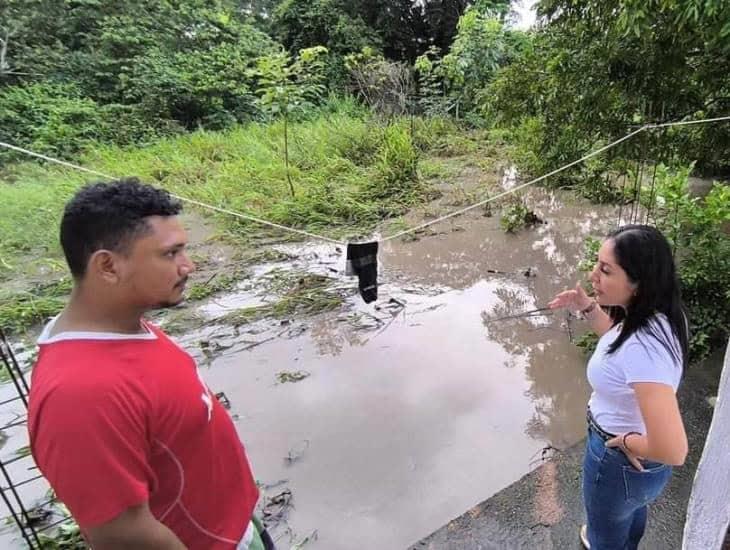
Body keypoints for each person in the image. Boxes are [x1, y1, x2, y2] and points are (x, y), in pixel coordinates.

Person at [28, 179, 274, 549]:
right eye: (170, 254)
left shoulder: (127, 326)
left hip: (235, 526)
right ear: (108, 266)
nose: (188, 266)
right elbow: (122, 535)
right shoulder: (80, 394)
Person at [549, 224, 689, 550]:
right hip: (639, 470)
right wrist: (586, 307)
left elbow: (674, 449)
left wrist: (627, 441)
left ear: (638, 283)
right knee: (629, 515)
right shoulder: (662, 316)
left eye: (605, 270)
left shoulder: (643, 347)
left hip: (619, 458)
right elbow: (619, 346)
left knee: (603, 539)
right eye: (597, 264)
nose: (592, 274)